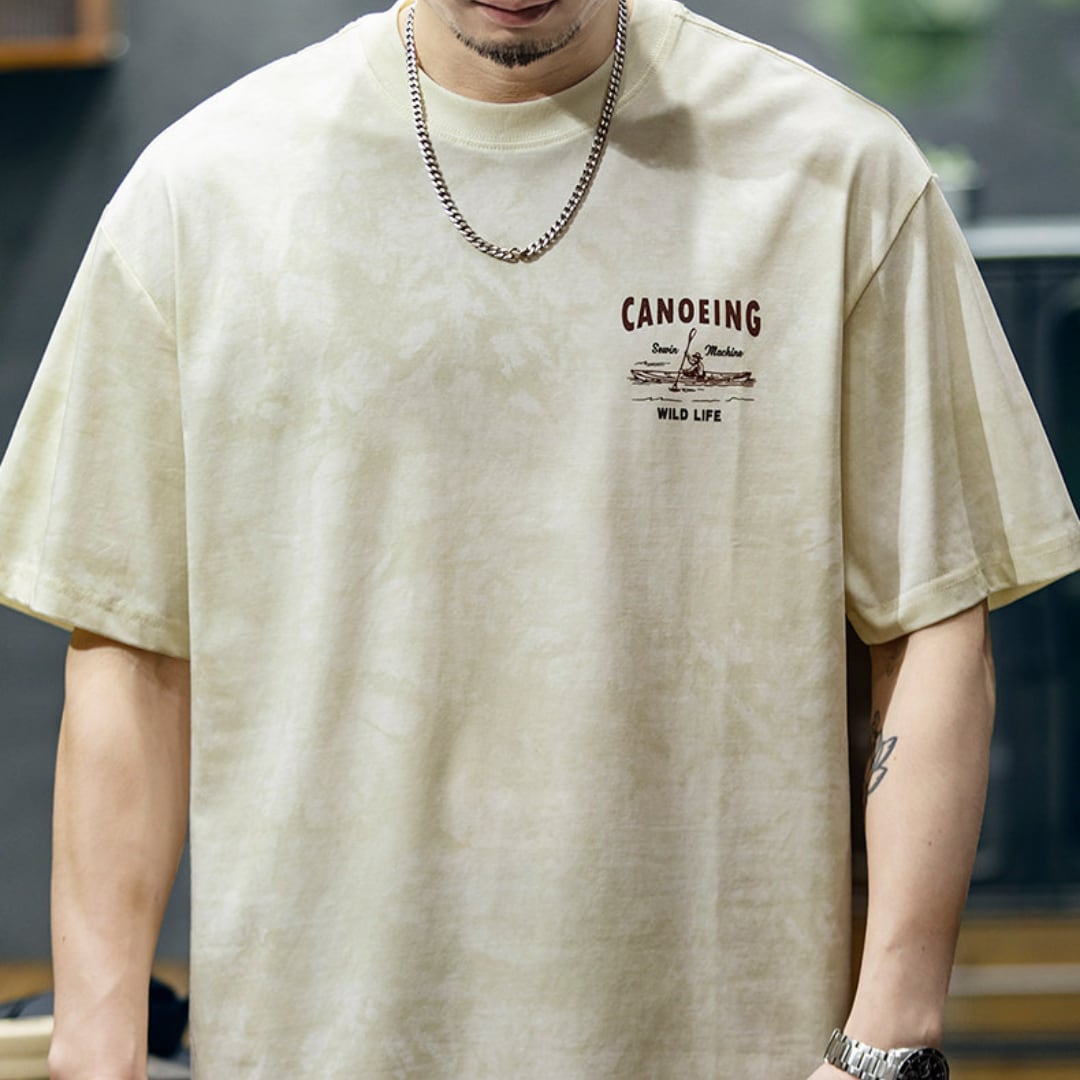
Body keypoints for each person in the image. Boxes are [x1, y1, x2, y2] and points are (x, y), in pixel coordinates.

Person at [0, 0, 1078, 1075]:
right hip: (316, 1038)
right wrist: (97, 1041)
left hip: (723, 1042)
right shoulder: (204, 193)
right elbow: (130, 643)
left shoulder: (834, 176)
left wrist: (888, 1039)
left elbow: (935, 617)